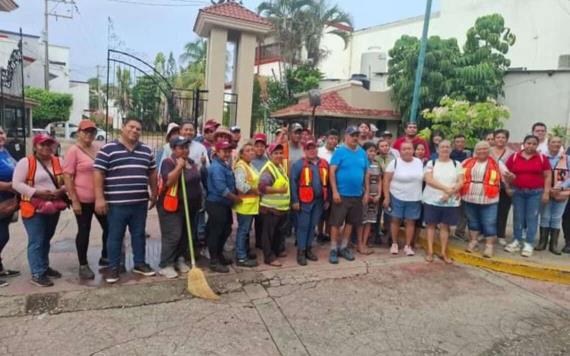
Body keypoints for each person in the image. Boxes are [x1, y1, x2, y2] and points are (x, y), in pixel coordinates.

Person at [94, 118, 158, 284]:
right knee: (115, 236)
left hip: (139, 202)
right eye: (131, 127)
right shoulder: (108, 149)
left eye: (138, 128)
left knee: (138, 235)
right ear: (123, 128)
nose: (135, 130)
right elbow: (98, 173)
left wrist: (154, 193)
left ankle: (139, 263)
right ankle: (113, 267)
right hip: (116, 204)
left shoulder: (146, 150)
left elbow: (152, 172)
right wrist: (100, 198)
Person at [13, 134, 67, 287]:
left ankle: (43, 266)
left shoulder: (58, 161)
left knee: (46, 238)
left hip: (53, 206)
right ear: (35, 146)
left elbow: (67, 181)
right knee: (37, 240)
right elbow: (17, 184)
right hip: (32, 207)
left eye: (49, 144)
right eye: (42, 144)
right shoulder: (26, 162)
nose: (46, 147)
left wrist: (60, 191)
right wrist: (36, 193)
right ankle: (37, 273)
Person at [63, 120, 108, 280]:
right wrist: (74, 200)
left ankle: (105, 256)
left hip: (99, 199)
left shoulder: (98, 148)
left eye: (92, 132)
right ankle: (83, 265)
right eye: (86, 131)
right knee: (84, 231)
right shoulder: (73, 151)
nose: (89, 135)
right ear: (79, 133)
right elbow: (67, 176)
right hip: (82, 199)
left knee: (109, 227)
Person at [156, 136, 203, 278]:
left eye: (186, 147)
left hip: (190, 206)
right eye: (181, 147)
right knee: (173, 235)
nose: (184, 150)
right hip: (172, 206)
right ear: (173, 149)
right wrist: (179, 167)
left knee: (184, 234)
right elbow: (169, 181)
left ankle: (179, 259)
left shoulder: (191, 162)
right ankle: (166, 264)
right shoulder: (168, 162)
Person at [504, 135, 551, 257]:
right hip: (518, 192)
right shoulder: (514, 157)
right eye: (528, 143)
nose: (531, 146)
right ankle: (517, 241)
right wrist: (508, 187)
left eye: (534, 144)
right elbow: (505, 174)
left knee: (532, 217)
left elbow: (548, 176)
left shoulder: (542, 158)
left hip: (535, 193)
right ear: (524, 144)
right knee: (518, 217)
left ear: (537, 145)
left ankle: (529, 243)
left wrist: (546, 192)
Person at [328, 126, 368, 264]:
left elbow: (366, 173)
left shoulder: (362, 153)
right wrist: (334, 191)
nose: (355, 138)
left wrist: (366, 192)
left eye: (357, 135)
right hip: (341, 194)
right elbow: (332, 172)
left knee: (351, 222)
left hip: (357, 195)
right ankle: (333, 249)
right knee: (336, 223)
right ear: (346, 136)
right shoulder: (339, 152)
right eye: (352, 135)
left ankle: (344, 247)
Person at [423, 140, 464, 263]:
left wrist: (449, 193)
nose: (445, 149)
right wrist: (446, 189)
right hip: (432, 200)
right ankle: (430, 252)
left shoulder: (457, 164)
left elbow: (460, 181)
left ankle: (443, 252)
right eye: (442, 147)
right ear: (437, 149)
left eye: (447, 147)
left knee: (445, 227)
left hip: (450, 202)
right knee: (431, 225)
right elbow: (429, 180)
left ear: (451, 149)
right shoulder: (431, 163)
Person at [461, 141, 503, 258]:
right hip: (469, 197)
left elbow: (507, 175)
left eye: (485, 149)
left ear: (489, 150)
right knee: (472, 221)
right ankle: (473, 241)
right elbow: (457, 175)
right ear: (475, 150)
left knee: (489, 223)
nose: (482, 151)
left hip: (489, 199)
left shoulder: (497, 163)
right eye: (479, 149)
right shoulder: (467, 162)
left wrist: (510, 178)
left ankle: (489, 246)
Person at [290, 140, 329, 265]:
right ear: (305, 150)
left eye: (314, 148)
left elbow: (327, 183)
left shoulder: (324, 163)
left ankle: (308, 249)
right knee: (303, 226)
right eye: (309, 148)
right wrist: (295, 200)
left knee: (312, 226)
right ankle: (301, 251)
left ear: (317, 149)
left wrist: (327, 199)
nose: (312, 150)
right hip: (304, 201)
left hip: (318, 201)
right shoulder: (298, 165)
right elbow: (293, 183)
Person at [206, 140, 241, 273]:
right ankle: (214, 261)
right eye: (224, 151)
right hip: (216, 203)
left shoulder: (225, 165)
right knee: (216, 232)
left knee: (226, 229)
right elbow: (222, 189)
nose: (227, 153)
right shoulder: (216, 167)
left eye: (228, 151)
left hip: (224, 204)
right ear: (218, 152)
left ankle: (219, 255)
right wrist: (236, 199)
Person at [383, 142, 424, 256]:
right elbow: (386, 180)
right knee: (395, 220)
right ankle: (394, 243)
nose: (407, 151)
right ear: (400, 151)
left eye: (409, 149)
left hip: (414, 197)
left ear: (413, 150)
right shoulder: (394, 162)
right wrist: (386, 197)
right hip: (397, 196)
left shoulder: (419, 162)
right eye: (404, 149)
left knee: (410, 222)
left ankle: (408, 246)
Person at [258, 143, 290, 267]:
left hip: (280, 209)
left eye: (280, 153)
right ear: (270, 155)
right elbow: (262, 187)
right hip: (270, 209)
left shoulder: (280, 167)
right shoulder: (269, 169)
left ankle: (275, 252)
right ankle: (269, 257)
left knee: (277, 233)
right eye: (276, 153)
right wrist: (278, 191)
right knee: (268, 235)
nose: (279, 155)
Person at [536, 136, 569, 255]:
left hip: (561, 192)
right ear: (548, 144)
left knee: (556, 218)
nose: (556, 144)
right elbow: (539, 174)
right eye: (553, 142)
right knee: (545, 216)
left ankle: (553, 245)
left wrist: (561, 187)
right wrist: (548, 189)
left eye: (559, 142)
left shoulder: (567, 159)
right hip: (545, 191)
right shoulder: (542, 158)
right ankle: (542, 243)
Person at [233, 142, 260, 268]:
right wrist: (254, 190)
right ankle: (241, 257)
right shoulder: (240, 166)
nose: (251, 152)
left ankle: (245, 251)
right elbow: (240, 185)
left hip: (251, 204)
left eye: (252, 150)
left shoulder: (250, 165)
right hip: (245, 205)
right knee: (243, 231)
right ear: (242, 154)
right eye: (248, 150)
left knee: (247, 230)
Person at [0, 126, 20, 287]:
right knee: (1, 236)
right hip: (2, 198)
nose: (0, 136)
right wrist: (7, 186)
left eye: (1, 132)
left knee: (3, 235)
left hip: (7, 202)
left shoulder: (4, 152)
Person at [490, 129, 515, 246]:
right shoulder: (488, 151)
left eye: (503, 137)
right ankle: (487, 233)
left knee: (503, 211)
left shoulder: (512, 153)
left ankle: (500, 235)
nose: (500, 139)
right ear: (494, 139)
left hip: (506, 187)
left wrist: (509, 185)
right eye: (498, 137)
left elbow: (513, 171)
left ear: (507, 139)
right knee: (488, 211)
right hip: (489, 186)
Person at [357, 142, 381, 255]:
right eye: (370, 150)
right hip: (364, 196)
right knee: (362, 220)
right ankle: (359, 243)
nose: (372, 153)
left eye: (374, 151)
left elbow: (379, 180)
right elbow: (361, 180)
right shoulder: (361, 163)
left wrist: (379, 194)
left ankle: (365, 243)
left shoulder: (377, 164)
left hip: (375, 197)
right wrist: (367, 194)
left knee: (369, 221)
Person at [450, 134, 472, 241]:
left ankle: (459, 232)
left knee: (464, 210)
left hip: (466, 185)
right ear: (454, 143)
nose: (460, 144)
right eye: (457, 142)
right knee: (450, 208)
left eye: (462, 142)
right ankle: (446, 230)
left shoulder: (469, 154)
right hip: (451, 184)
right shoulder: (449, 154)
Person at [251, 133, 269, 249]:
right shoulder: (249, 159)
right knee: (246, 225)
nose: (259, 148)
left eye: (262, 146)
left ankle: (260, 242)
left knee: (261, 221)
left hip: (263, 196)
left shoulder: (268, 161)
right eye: (257, 146)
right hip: (250, 196)